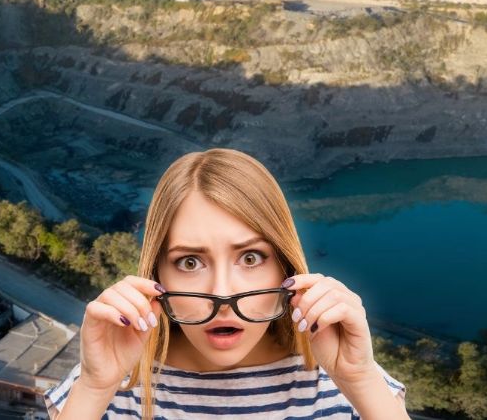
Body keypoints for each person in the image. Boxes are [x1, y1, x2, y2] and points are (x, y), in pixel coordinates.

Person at [43, 148, 408, 419]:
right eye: (189, 262)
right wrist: (94, 388)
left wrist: (360, 381)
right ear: (157, 276)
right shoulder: (111, 381)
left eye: (250, 258)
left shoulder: (347, 380)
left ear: (285, 266)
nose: (222, 294)